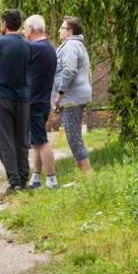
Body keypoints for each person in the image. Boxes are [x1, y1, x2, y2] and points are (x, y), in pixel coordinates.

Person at [0, 9, 31, 193]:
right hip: (23, 97)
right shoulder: (28, 45)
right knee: (21, 139)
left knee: (4, 140)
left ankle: (14, 180)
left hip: (2, 96)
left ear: (4, 23)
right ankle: (24, 179)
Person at [23, 15, 59, 189]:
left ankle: (52, 180)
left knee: (41, 141)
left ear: (30, 29)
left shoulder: (33, 48)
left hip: (34, 101)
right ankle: (36, 178)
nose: (23, 32)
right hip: (43, 99)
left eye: (24, 28)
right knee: (36, 141)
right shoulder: (49, 48)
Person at [54, 16, 93, 174]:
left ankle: (88, 176)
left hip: (72, 98)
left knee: (74, 138)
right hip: (74, 97)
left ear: (70, 31)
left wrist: (60, 93)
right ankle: (81, 177)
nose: (59, 30)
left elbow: (69, 71)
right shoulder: (74, 45)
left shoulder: (71, 46)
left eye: (62, 28)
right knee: (72, 136)